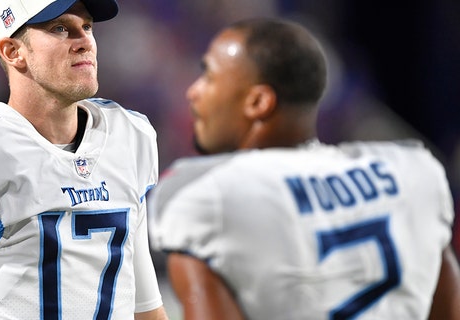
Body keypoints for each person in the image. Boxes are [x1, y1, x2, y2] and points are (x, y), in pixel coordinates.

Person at [149, 17, 460, 320]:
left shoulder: (204, 197)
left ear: (258, 102)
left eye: (209, 77)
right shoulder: (410, 171)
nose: (193, 91)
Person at [0, 0, 169, 319]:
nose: (84, 42)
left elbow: (144, 306)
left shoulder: (129, 136)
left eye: (86, 27)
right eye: (60, 29)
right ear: (14, 51)